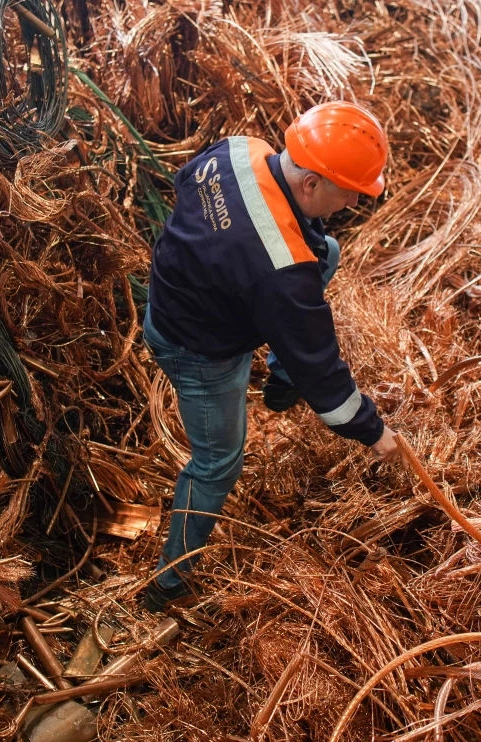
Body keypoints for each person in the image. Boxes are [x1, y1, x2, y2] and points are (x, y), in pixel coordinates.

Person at [141, 101, 400, 612]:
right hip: (195, 346)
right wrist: (373, 431)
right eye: (347, 194)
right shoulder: (281, 274)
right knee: (217, 464)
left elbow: (184, 180)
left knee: (327, 251)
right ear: (310, 184)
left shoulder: (239, 149)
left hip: (182, 289)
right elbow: (321, 365)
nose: (349, 205)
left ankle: (279, 381)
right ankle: (167, 583)